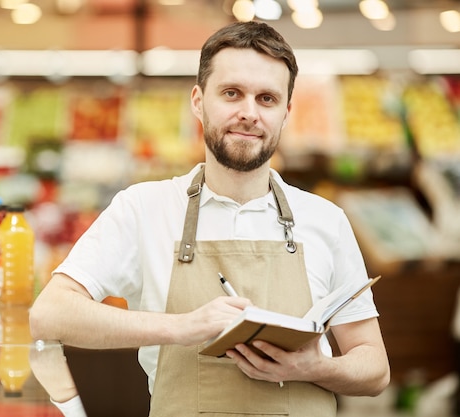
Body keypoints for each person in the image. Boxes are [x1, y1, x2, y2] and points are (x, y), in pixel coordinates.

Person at [30, 20, 390, 416]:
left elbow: (374, 368)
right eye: (232, 93)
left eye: (267, 99)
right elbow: (50, 314)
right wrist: (182, 327)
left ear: (287, 112)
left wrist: (314, 367)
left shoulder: (326, 219)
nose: (249, 113)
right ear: (199, 101)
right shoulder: (144, 208)